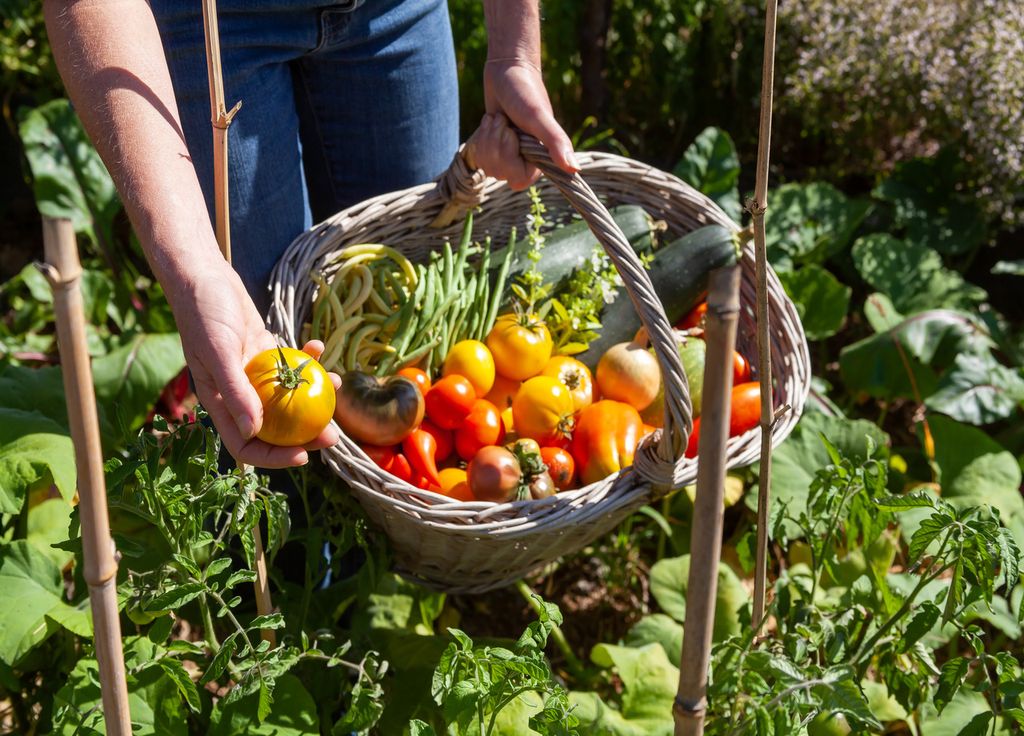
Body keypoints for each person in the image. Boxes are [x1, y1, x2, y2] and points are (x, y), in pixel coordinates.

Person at [43, 0, 578, 468]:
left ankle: (378, 557)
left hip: (395, 10)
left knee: (415, 307)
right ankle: (304, 564)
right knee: (250, 353)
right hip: (208, 23)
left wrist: (514, 54)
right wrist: (195, 270)